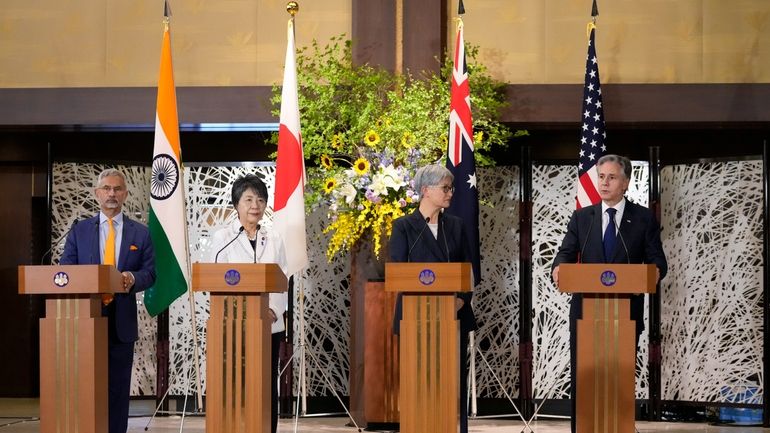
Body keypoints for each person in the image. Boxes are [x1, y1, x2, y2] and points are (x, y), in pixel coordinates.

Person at [551, 154, 667, 433]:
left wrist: (652, 274)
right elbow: (565, 254)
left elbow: (658, 262)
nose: (604, 183)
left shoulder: (642, 219)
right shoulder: (582, 217)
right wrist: (558, 269)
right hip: (586, 314)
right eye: (601, 177)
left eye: (612, 177)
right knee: (586, 376)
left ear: (625, 183)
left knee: (617, 377)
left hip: (624, 313)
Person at [60, 168, 156, 433]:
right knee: (85, 385)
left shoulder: (141, 233)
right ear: (97, 194)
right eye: (106, 189)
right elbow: (66, 268)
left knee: (117, 388)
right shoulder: (79, 231)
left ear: (125, 194)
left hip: (121, 323)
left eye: (117, 189)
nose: (112, 194)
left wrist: (133, 278)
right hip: (86, 319)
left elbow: (150, 274)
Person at [389, 164, 478, 433]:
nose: (451, 193)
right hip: (416, 318)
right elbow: (398, 271)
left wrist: (461, 299)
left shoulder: (457, 226)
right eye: (445, 188)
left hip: (453, 315)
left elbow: (468, 269)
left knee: (451, 382)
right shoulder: (404, 227)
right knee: (419, 381)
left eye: (451, 187)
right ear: (426, 191)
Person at [207, 174, 288, 433]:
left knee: (264, 384)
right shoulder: (222, 239)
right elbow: (214, 278)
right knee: (235, 384)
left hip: (268, 325)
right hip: (232, 326)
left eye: (261, 200)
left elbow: (283, 277)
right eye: (249, 199)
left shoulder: (274, 238)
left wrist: (273, 311)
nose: (255, 205)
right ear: (236, 204)